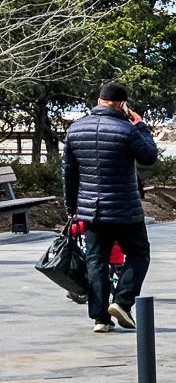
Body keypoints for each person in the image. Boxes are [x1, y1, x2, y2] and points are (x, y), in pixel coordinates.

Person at [62, 83, 157, 333]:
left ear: (99, 101)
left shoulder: (75, 129)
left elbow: (69, 174)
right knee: (138, 253)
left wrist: (71, 208)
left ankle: (100, 319)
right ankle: (122, 302)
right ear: (122, 105)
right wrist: (141, 126)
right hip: (125, 208)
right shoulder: (127, 129)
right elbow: (149, 157)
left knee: (96, 260)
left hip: (91, 210)